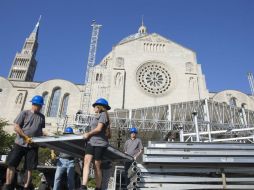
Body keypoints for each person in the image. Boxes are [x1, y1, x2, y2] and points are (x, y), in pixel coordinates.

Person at [3, 95, 45, 190]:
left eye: (41, 105)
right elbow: (16, 127)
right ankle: (8, 186)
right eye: (38, 105)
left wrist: (44, 142)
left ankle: (26, 187)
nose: (40, 107)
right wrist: (25, 137)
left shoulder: (42, 117)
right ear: (34, 104)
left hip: (33, 146)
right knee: (11, 164)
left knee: (29, 168)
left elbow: (40, 131)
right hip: (20, 143)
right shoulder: (24, 113)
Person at [80, 98, 111, 190]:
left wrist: (88, 134)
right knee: (86, 161)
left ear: (99, 107)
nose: (94, 108)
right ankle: (83, 185)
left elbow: (99, 129)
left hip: (100, 143)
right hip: (91, 142)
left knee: (96, 164)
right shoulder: (95, 116)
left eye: (95, 106)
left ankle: (98, 187)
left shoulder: (103, 115)